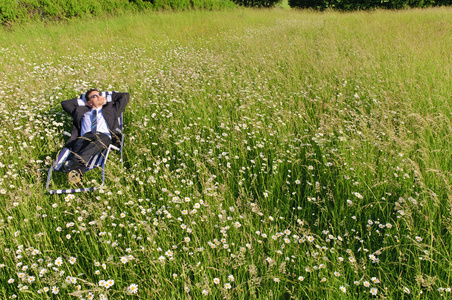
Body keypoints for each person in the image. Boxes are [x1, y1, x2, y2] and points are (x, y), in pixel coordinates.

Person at [61, 89, 129, 185]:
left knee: (104, 138)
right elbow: (65, 103)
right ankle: (77, 175)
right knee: (79, 145)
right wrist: (85, 103)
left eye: (100, 95)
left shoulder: (112, 109)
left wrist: (105, 98)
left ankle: (76, 161)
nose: (99, 97)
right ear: (89, 102)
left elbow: (125, 96)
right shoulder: (81, 111)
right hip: (83, 139)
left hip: (103, 138)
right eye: (95, 96)